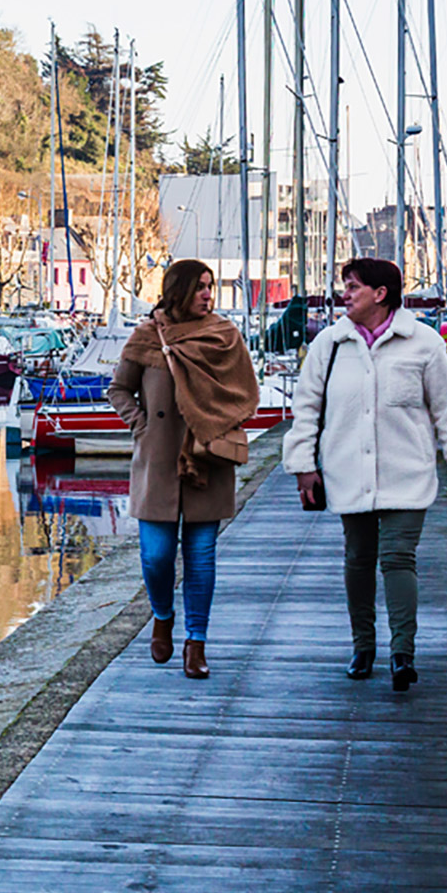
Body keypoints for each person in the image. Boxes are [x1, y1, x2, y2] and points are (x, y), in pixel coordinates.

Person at [285, 257, 447, 691]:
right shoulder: (330, 344)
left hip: (406, 473)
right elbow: (306, 409)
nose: (345, 294)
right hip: (346, 470)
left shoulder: (423, 344)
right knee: (358, 559)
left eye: (353, 286)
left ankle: (402, 654)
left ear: (380, 293)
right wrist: (302, 467)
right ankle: (363, 648)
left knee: (397, 558)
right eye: (344, 287)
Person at [108, 260, 260, 679]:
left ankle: (197, 642)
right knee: (156, 557)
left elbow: (246, 393)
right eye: (199, 288)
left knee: (201, 557)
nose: (208, 295)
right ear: (178, 291)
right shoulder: (146, 336)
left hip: (208, 458)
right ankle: (162, 615)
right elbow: (119, 389)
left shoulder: (224, 337)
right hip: (157, 460)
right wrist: (141, 426)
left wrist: (219, 421)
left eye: (210, 287)